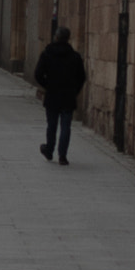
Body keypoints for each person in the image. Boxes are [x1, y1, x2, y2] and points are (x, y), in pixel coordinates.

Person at [34, 25, 87, 165]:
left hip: (52, 95)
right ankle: (62, 155)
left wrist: (47, 85)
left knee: (51, 125)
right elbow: (81, 77)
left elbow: (38, 74)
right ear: (68, 39)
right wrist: (74, 90)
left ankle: (49, 150)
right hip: (68, 96)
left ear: (56, 37)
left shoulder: (47, 54)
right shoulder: (75, 57)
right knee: (65, 126)